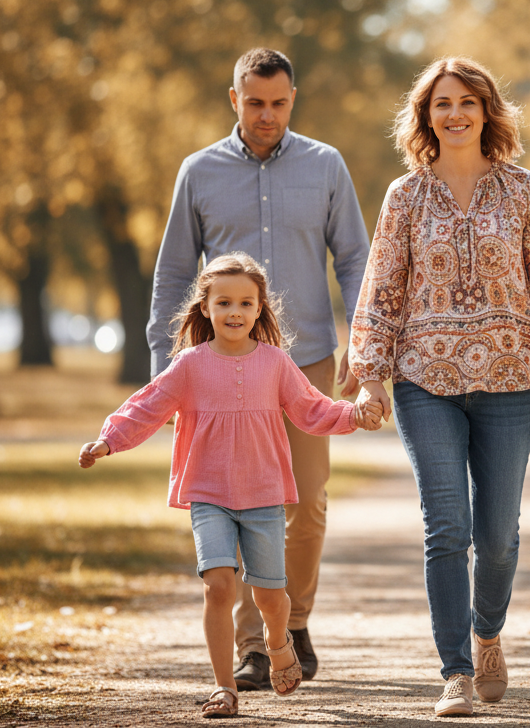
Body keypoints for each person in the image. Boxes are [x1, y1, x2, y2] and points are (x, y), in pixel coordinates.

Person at [349, 57, 530, 717]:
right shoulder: (405, 196)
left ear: (487, 111)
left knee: (499, 538)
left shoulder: (522, 191)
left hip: (510, 380)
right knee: (446, 528)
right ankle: (455, 670)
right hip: (423, 380)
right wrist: (370, 378)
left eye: (466, 102)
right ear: (425, 117)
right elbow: (382, 289)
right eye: (441, 104)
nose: (454, 113)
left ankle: (488, 633)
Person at [146, 47, 370, 690]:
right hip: (219, 366)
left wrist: (362, 340)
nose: (266, 114)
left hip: (306, 359)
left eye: (277, 103)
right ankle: (252, 645)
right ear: (234, 98)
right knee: (235, 497)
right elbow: (171, 276)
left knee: (308, 498)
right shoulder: (199, 172)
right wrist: (166, 370)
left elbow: (354, 257)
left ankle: (291, 622)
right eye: (254, 102)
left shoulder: (325, 164)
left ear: (292, 99)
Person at [81, 254, 381, 718]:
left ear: (261, 309)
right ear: (206, 308)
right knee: (218, 586)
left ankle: (278, 641)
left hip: (263, 496)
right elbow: (147, 407)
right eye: (224, 302)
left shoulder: (276, 364)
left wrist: (353, 415)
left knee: (269, 597)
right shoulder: (189, 366)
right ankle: (224, 688)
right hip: (209, 495)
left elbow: (312, 409)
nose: (235, 312)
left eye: (245, 302)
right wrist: (107, 440)